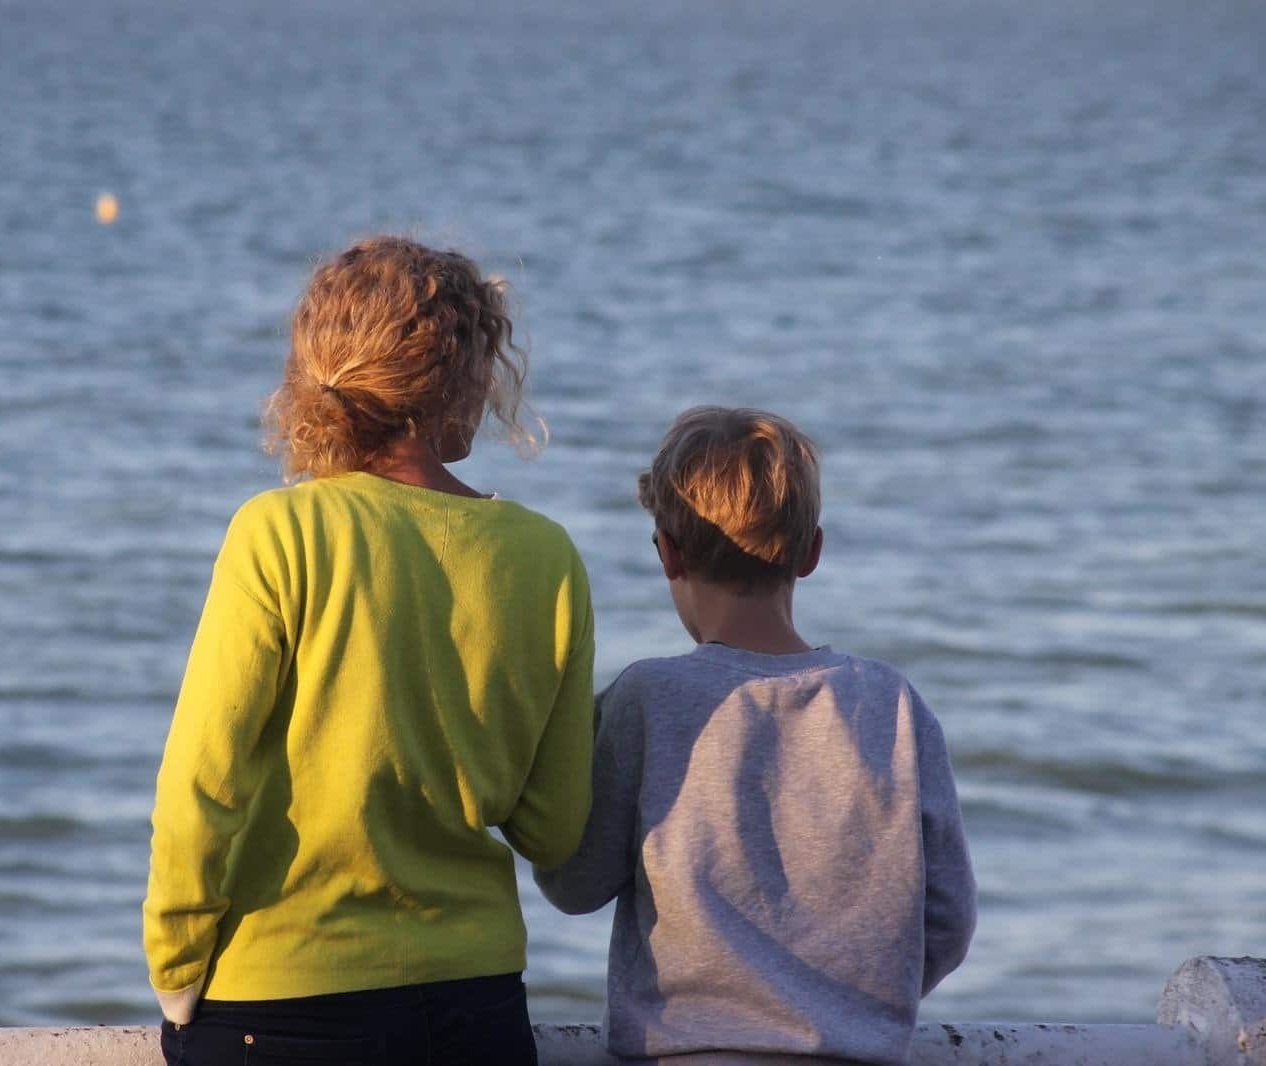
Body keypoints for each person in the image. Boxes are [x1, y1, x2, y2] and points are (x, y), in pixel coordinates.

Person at [144, 236, 595, 1066]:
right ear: (464, 379)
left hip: (276, 1002)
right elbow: (556, 829)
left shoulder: (278, 531)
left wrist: (176, 969)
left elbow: (202, 782)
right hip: (476, 1001)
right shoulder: (546, 554)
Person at [536, 406, 977, 1066]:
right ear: (812, 552)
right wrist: (847, 1008)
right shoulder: (893, 704)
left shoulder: (648, 698)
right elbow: (948, 919)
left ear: (668, 553)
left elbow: (575, 886)